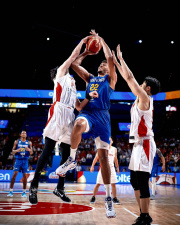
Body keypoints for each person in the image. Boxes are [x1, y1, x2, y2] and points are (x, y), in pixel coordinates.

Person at [29, 36, 98, 205]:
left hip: (70, 116)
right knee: (48, 150)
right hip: (58, 111)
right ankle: (34, 185)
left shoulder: (73, 86)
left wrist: (89, 96)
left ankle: (60, 188)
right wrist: (83, 44)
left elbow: (79, 107)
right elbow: (72, 58)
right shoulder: (60, 75)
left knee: (67, 155)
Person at [56, 30, 117, 218]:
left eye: (104, 64)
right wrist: (85, 53)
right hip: (89, 113)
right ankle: (72, 160)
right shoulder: (90, 78)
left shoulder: (110, 79)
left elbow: (110, 59)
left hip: (103, 118)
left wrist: (102, 40)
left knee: (104, 159)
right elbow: (74, 65)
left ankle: (108, 199)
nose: (102, 64)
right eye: (100, 63)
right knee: (77, 124)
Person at [112, 45, 160, 225]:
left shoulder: (146, 98)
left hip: (146, 143)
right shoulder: (142, 98)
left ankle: (145, 216)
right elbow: (129, 78)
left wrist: (120, 60)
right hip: (138, 144)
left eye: (143, 84)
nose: (139, 85)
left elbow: (130, 78)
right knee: (134, 180)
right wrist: (117, 62)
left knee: (142, 180)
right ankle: (143, 213)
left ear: (147, 89)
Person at [90, 137, 120, 204]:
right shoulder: (102, 148)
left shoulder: (114, 149)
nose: (109, 140)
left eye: (110, 140)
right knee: (98, 183)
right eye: (108, 140)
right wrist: (92, 166)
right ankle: (93, 197)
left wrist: (117, 167)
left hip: (111, 168)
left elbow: (115, 159)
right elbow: (96, 158)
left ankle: (114, 198)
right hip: (103, 167)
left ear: (112, 141)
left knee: (113, 184)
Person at [7, 131, 33, 198]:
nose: (24, 134)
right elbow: (12, 151)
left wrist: (29, 150)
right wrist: (17, 150)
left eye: (25, 133)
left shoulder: (29, 143)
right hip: (18, 160)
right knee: (14, 175)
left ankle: (24, 192)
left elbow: (31, 153)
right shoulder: (16, 142)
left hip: (25, 160)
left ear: (26, 135)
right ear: (20, 135)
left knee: (25, 176)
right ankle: (10, 191)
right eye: (23, 133)